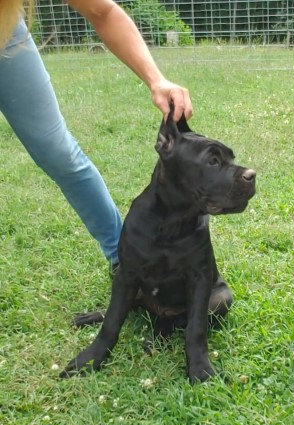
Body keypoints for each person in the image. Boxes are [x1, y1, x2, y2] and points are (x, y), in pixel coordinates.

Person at [0, 0, 193, 272]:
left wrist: (156, 80)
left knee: (57, 151)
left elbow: (103, 11)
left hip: (6, 34)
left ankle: (123, 255)